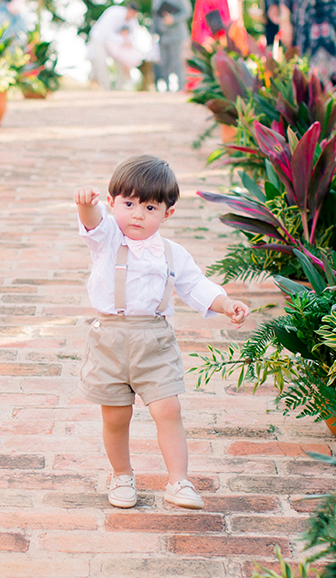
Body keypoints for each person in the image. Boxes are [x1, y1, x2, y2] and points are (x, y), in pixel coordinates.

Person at [74, 155, 249, 510]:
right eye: (128, 203)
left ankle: (178, 481)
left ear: (167, 213)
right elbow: (92, 224)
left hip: (154, 340)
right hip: (109, 338)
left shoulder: (172, 253)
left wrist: (225, 303)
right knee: (116, 415)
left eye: (150, 207)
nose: (137, 214)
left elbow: (195, 285)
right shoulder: (108, 239)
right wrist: (86, 206)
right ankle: (121, 474)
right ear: (112, 204)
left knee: (168, 408)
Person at [88, 1, 143, 90]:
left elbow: (133, 35)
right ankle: (106, 90)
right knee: (101, 62)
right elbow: (107, 32)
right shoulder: (114, 12)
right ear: (128, 10)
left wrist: (127, 42)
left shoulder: (133, 20)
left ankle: (118, 90)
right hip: (99, 40)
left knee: (123, 64)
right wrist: (122, 40)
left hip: (115, 44)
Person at [150, 0, 191, 90]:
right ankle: (167, 90)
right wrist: (153, 33)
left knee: (178, 63)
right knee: (164, 64)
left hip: (178, 35)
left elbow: (187, 12)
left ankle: (181, 89)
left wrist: (173, 19)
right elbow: (155, 18)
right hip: (163, 37)